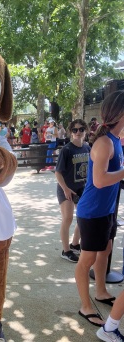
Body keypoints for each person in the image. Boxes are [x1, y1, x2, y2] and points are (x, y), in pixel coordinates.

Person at [75, 90, 124, 327]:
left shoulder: (115, 139)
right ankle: (85, 307)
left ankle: (101, 291)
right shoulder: (104, 142)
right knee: (87, 260)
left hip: (106, 210)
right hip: (93, 211)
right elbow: (100, 180)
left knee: (105, 249)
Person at [55, 120, 90, 262]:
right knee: (68, 218)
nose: (78, 132)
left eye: (81, 129)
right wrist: (66, 189)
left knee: (83, 217)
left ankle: (75, 244)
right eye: (74, 130)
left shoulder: (87, 148)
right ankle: (66, 250)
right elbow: (58, 173)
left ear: (85, 131)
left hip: (82, 188)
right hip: (66, 188)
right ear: (70, 132)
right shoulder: (67, 150)